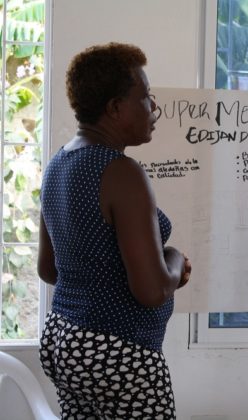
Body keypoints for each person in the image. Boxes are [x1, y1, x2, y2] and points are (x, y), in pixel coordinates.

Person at [37, 42, 190, 420]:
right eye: (145, 98)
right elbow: (152, 291)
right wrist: (174, 261)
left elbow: (49, 269)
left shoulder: (59, 162)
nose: (153, 110)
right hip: (118, 354)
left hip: (65, 340)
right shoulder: (121, 171)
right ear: (115, 108)